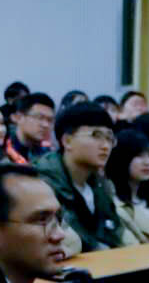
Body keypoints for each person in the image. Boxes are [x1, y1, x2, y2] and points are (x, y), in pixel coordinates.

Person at [35, 101, 122, 253]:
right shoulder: (41, 184)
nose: (105, 146)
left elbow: (114, 232)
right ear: (67, 141)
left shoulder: (101, 185)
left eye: (109, 138)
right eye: (96, 136)